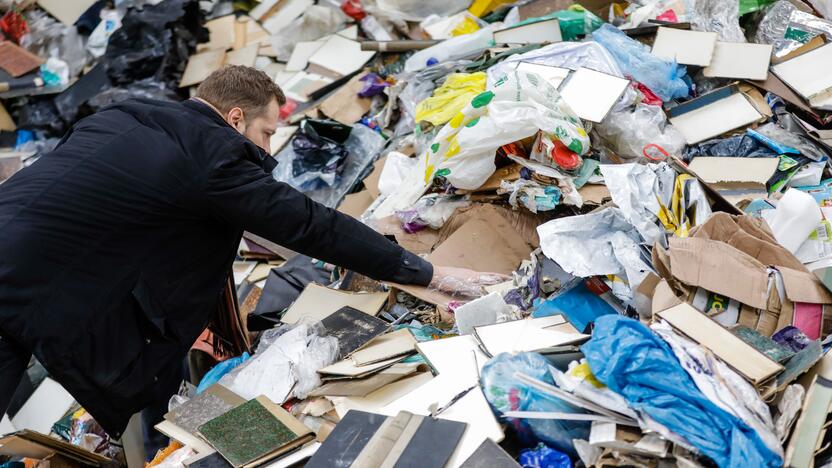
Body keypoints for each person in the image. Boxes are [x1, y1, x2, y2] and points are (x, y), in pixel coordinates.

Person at [0, 65, 485, 440]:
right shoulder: (212, 155)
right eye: (268, 132)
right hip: (17, 283)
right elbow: (311, 225)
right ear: (235, 119)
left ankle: (160, 441)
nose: (269, 145)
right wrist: (425, 270)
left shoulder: (123, 116)